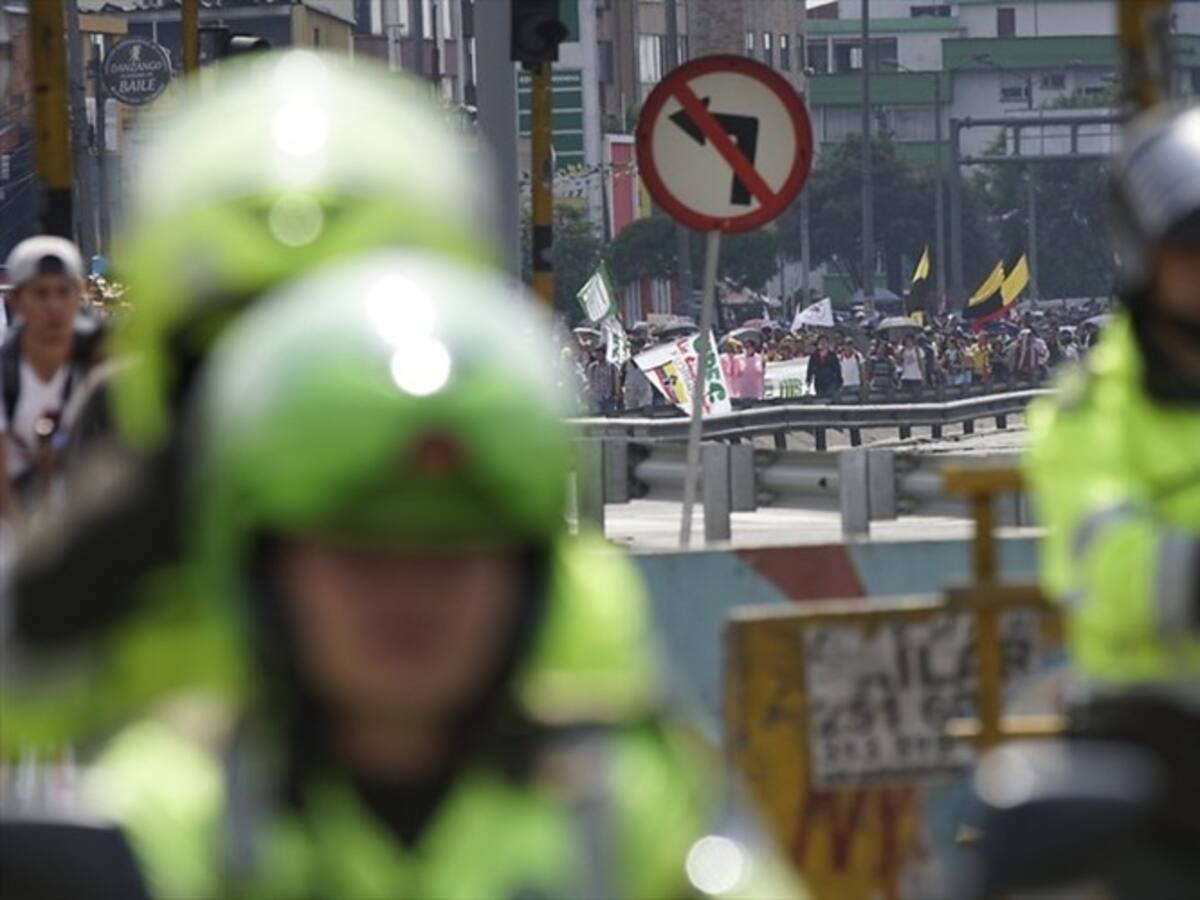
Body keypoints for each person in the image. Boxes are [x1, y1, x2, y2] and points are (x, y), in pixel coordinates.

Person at [62, 255, 806, 900]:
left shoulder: (619, 794)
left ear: (527, 576)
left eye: (451, 554)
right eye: (362, 554)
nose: (409, 596)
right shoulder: (170, 807)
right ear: (268, 567)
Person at [2, 51, 501, 755]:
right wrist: (76, 578)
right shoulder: (143, 517)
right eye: (239, 343)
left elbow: (628, 778)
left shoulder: (512, 548)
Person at [0, 236, 102, 516]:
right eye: (41, 293)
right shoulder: (6, 372)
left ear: (79, 293)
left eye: (63, 291)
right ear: (16, 301)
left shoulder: (104, 364)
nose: (54, 306)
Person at [805, 335, 841, 399]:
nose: (823, 344)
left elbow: (837, 369)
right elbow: (810, 369)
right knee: (820, 398)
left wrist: (839, 381)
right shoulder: (814, 356)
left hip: (831, 381)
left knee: (830, 397)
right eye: (821, 342)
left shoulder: (832, 355)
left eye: (825, 342)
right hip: (819, 382)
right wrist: (808, 380)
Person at [837, 336, 864, 401]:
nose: (848, 347)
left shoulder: (857, 355)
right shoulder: (840, 357)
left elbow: (862, 369)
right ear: (844, 346)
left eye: (850, 344)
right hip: (844, 384)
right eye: (846, 344)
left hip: (855, 384)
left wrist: (862, 382)